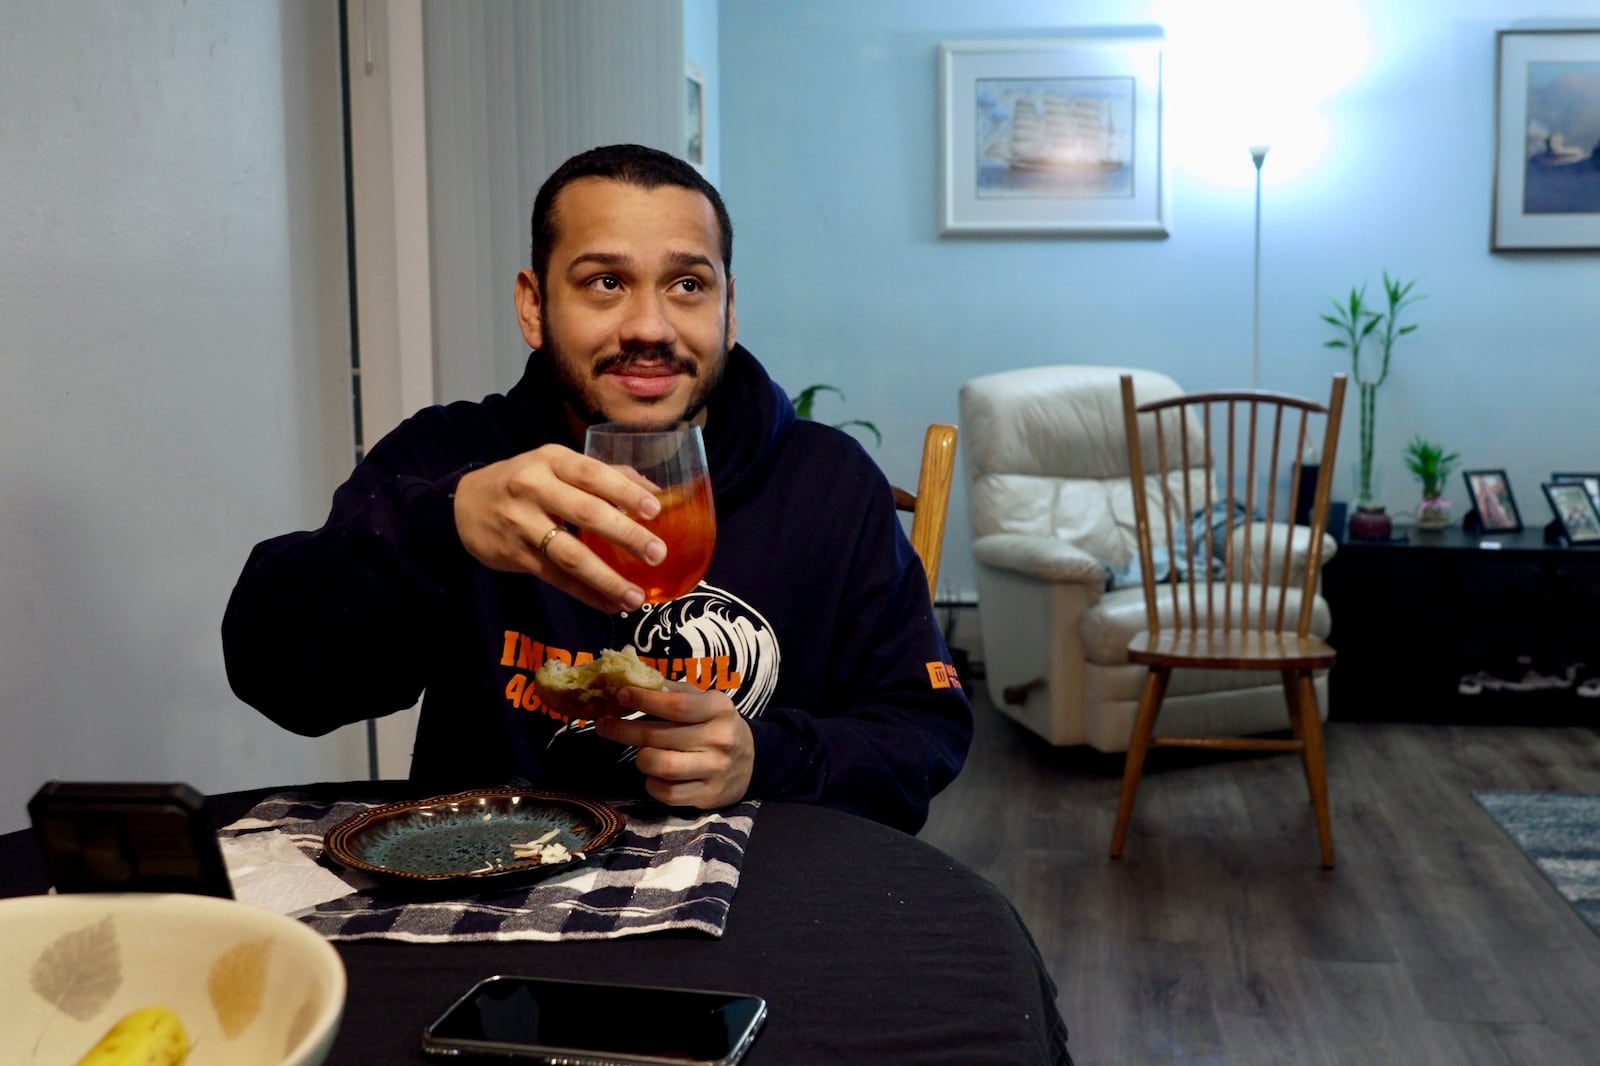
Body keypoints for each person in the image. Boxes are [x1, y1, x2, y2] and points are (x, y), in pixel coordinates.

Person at [222, 144, 971, 834]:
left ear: (728, 310)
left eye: (687, 284)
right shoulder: (449, 455)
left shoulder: (829, 483)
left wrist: (761, 757)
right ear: (533, 305)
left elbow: (924, 730)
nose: (649, 324)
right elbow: (283, 682)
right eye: (605, 282)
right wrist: (441, 528)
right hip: (489, 893)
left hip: (752, 901)